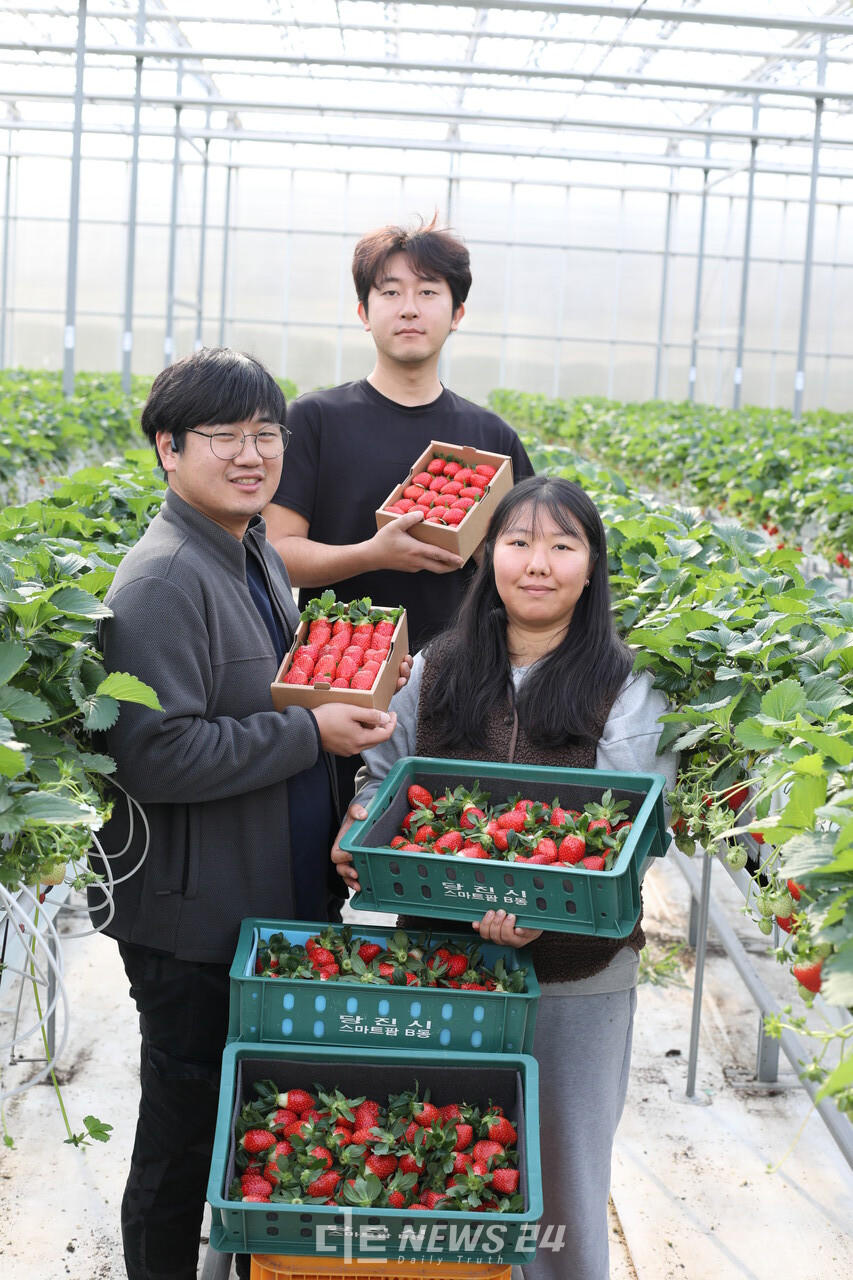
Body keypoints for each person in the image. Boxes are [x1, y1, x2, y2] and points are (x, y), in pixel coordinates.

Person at [88, 347, 404, 1280]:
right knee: (181, 1141)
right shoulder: (162, 581)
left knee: (245, 1123)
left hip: (263, 896)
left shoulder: (253, 546)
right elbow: (156, 754)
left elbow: (272, 691)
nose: (249, 453)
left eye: (265, 432)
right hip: (195, 924)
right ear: (167, 449)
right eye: (222, 435)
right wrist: (315, 739)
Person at [331, 474, 678, 1280]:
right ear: (487, 558)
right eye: (518, 542)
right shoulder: (439, 667)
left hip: (575, 974)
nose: (538, 563)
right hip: (447, 966)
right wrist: (357, 823)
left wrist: (545, 912)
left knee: (560, 1178)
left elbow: (633, 835)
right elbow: (383, 779)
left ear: (591, 568)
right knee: (445, 1163)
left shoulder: (624, 684)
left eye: (563, 545)